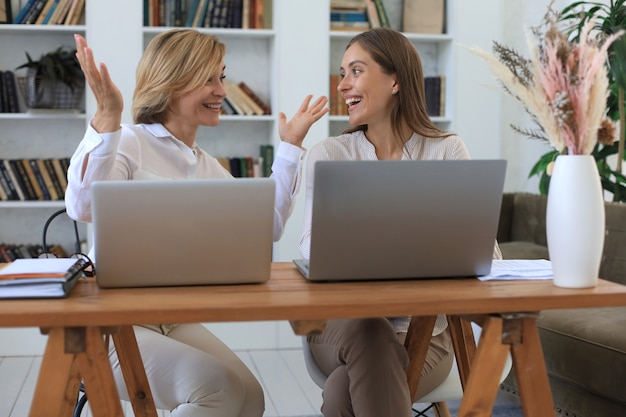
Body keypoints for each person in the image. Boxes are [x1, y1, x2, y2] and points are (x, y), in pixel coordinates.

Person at [65, 30, 328, 417]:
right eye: (209, 78)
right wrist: (106, 118)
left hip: (171, 321)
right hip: (112, 325)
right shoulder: (127, 141)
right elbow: (81, 204)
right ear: (172, 82)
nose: (221, 90)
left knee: (250, 396)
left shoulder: (206, 165)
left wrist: (290, 148)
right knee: (217, 391)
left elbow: (264, 227)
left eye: (222, 77)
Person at [298, 27, 502, 417]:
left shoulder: (447, 150)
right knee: (369, 332)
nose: (343, 85)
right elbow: (310, 246)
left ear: (395, 80)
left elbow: (485, 252)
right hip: (338, 326)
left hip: (426, 331)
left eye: (356, 71)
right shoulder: (329, 154)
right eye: (342, 73)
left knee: (344, 390)